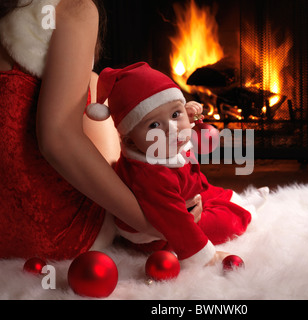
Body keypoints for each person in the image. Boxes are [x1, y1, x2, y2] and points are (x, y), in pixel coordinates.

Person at [0, 0, 185, 260]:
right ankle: (142, 198)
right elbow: (57, 139)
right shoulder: (72, 8)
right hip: (46, 232)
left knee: (90, 81)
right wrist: (147, 222)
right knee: (93, 86)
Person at [85, 62, 258, 267]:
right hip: (157, 234)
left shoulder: (162, 147)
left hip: (184, 194)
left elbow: (187, 166)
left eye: (176, 114)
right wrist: (204, 256)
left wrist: (185, 111)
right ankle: (244, 211)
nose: (173, 129)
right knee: (226, 223)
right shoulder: (152, 176)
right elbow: (177, 224)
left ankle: (232, 199)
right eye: (154, 125)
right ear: (130, 141)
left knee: (210, 191)